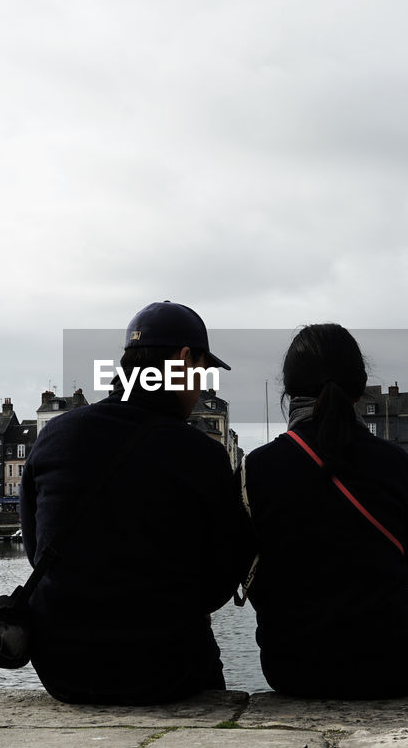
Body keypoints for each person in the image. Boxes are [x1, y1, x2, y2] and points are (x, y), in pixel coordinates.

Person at [19, 301, 248, 704]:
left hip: (63, 672)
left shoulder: (54, 436)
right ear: (182, 361)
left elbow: (37, 551)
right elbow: (222, 579)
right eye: (202, 370)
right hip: (167, 672)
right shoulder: (201, 454)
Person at [241, 323, 408, 698]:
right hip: (398, 665)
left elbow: (250, 573)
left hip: (296, 669)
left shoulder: (256, 468)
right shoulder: (396, 463)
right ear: (359, 388)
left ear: (290, 390)